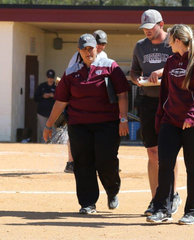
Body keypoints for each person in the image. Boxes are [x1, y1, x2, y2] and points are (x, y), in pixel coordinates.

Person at [43, 33, 130, 214]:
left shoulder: (110, 67)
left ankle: (112, 191)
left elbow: (122, 94)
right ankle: (88, 203)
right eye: (84, 49)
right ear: (79, 51)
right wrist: (49, 124)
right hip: (79, 125)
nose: (88, 52)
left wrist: (123, 119)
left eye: (91, 48)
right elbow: (61, 101)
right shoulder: (71, 72)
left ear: (97, 48)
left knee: (106, 160)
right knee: (82, 163)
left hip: (107, 124)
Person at [146, 24, 194, 224]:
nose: (167, 42)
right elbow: (164, 93)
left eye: (170, 39)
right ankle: (162, 210)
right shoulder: (171, 61)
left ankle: (192, 212)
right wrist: (160, 118)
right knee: (165, 164)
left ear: (177, 40)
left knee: (193, 168)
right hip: (171, 122)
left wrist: (191, 117)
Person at [130, 9, 181, 216]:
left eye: (150, 27)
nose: (147, 32)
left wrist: (162, 71)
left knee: (169, 151)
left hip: (170, 101)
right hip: (148, 101)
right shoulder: (140, 46)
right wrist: (137, 80)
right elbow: (133, 71)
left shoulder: (173, 42)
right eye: (144, 28)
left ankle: (172, 195)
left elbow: (183, 64)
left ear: (161, 24)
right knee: (152, 152)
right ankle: (154, 200)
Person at [64, 29, 109, 173]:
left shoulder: (105, 57)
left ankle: (97, 161)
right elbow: (69, 72)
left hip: (97, 101)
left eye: (103, 44)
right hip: (77, 98)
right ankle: (71, 161)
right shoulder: (78, 55)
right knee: (75, 129)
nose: (101, 46)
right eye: (99, 43)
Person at [34, 69, 56, 143]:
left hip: (53, 113)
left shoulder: (56, 87)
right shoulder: (41, 86)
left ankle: (52, 146)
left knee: (53, 131)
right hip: (41, 113)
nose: (50, 79)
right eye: (49, 78)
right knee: (43, 130)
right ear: (47, 77)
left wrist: (54, 96)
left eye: (52, 78)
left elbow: (61, 99)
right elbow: (36, 98)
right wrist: (43, 96)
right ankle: (43, 146)